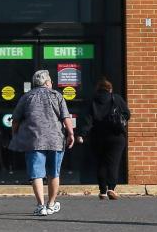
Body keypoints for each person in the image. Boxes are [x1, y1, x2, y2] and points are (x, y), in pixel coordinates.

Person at [9, 69, 75, 216]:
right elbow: (66, 118)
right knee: (54, 173)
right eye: (51, 80)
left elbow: (16, 120)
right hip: (56, 139)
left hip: (34, 140)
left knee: (36, 174)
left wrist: (15, 134)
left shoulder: (27, 97)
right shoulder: (57, 96)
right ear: (46, 82)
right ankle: (51, 204)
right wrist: (71, 134)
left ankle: (40, 205)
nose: (52, 83)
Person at [78, 77, 131, 200]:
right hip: (116, 136)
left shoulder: (92, 100)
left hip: (97, 136)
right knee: (113, 163)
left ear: (97, 89)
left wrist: (81, 134)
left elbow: (87, 120)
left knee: (101, 163)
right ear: (110, 89)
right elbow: (127, 114)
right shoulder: (116, 98)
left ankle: (102, 191)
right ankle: (111, 188)